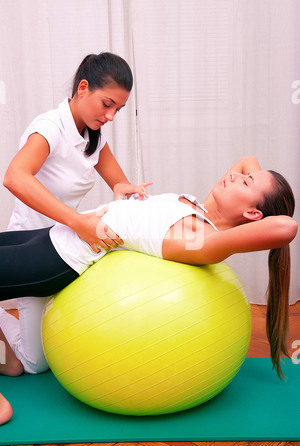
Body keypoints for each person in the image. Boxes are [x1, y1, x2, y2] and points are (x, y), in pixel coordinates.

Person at [0, 157, 297, 380]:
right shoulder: (202, 209)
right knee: (25, 364)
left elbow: (286, 226)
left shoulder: (204, 240)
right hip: (51, 233)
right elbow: (247, 159)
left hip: (57, 259)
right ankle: (10, 363)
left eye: (245, 182)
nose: (235, 175)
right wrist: (257, 183)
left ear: (253, 213)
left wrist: (264, 199)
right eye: (242, 176)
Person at [0, 52, 152, 377]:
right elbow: (14, 177)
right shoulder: (49, 129)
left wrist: (126, 190)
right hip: (31, 247)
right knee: (33, 365)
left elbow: (119, 183)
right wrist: (78, 221)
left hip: (63, 247)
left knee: (42, 360)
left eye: (118, 110)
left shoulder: (91, 135)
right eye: (107, 104)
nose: (111, 116)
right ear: (83, 88)